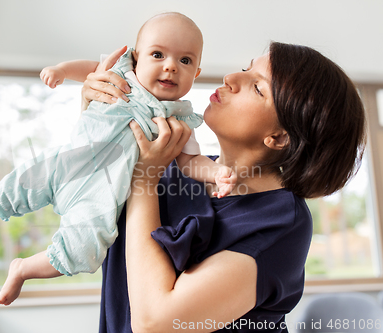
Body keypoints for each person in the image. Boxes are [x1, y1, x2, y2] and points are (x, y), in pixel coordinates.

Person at [0, 12, 235, 306]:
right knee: (13, 188)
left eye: (185, 60)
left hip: (103, 194)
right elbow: (89, 71)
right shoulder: (121, 76)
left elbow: (189, 162)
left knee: (84, 247)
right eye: (157, 55)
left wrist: (217, 172)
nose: (170, 66)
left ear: (197, 72)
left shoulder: (181, 120)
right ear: (136, 57)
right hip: (67, 161)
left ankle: (23, 268)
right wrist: (62, 71)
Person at [82, 41, 366, 332]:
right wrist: (98, 113)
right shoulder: (169, 164)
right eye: (246, 68)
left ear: (280, 137)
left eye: (257, 87)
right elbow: (82, 198)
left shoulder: (279, 223)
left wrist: (143, 178)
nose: (231, 78)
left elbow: (157, 322)